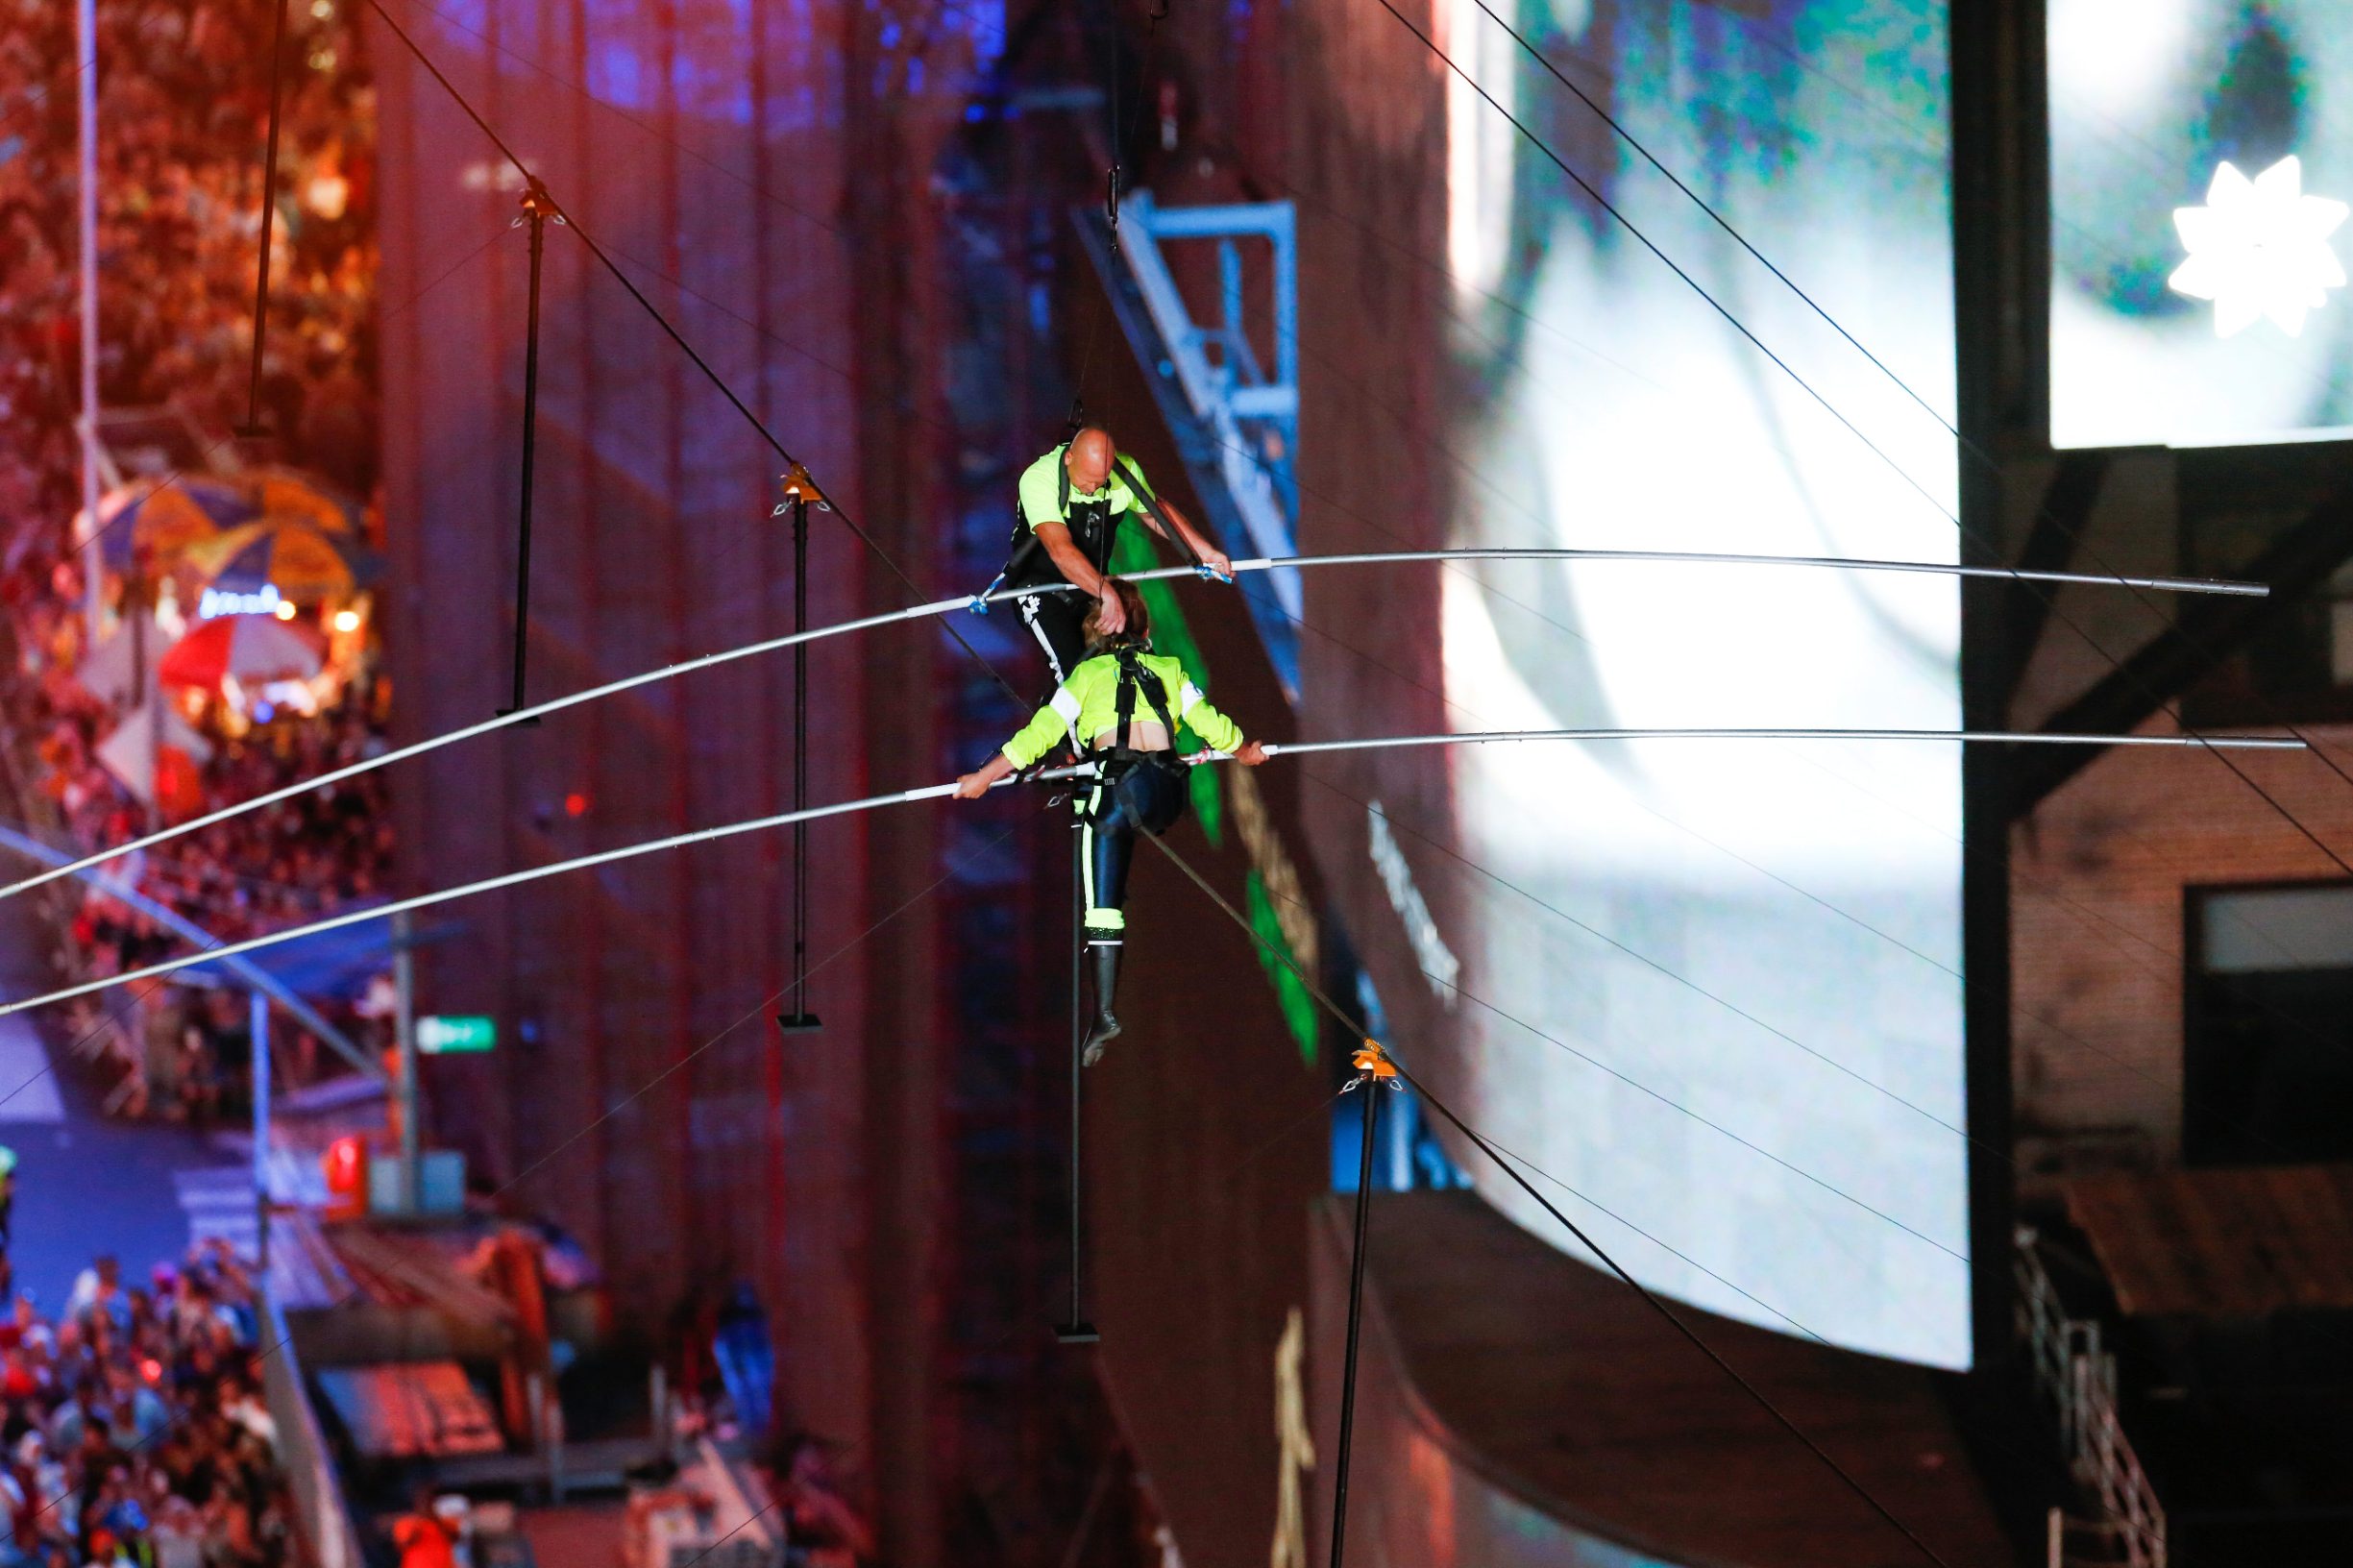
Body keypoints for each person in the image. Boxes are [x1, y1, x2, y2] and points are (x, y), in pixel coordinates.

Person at [954, 580, 1265, 1063]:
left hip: (1120, 794)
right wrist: (1245, 751)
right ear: (1143, 629)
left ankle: (1104, 1013)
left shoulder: (1084, 676)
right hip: (1167, 794)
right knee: (1098, 802)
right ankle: (1097, 817)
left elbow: (1038, 736)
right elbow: (1210, 724)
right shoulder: (1170, 668)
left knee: (1100, 904)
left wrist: (982, 777)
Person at [997, 427, 1232, 688]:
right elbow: (1061, 551)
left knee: (1135, 661)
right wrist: (1107, 593)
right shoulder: (1039, 478)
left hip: (1092, 585)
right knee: (1073, 669)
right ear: (1069, 458)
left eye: (1101, 481)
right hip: (1040, 586)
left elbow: (1155, 513)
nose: (1093, 488)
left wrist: (1205, 552)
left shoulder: (1125, 472)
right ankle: (1065, 711)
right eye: (1087, 480)